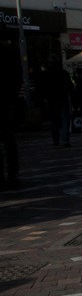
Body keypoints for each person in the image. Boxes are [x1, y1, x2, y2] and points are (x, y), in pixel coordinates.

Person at [0, 37, 21, 189]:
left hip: (5, 100)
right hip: (5, 100)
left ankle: (9, 174)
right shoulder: (11, 51)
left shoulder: (9, 52)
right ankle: (12, 173)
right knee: (8, 138)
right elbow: (17, 77)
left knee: (7, 138)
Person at [40, 60, 74, 147]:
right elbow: (70, 86)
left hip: (51, 100)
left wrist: (46, 98)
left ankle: (56, 140)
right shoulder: (64, 73)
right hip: (62, 99)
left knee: (54, 121)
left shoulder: (45, 74)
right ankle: (65, 140)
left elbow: (42, 88)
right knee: (64, 120)